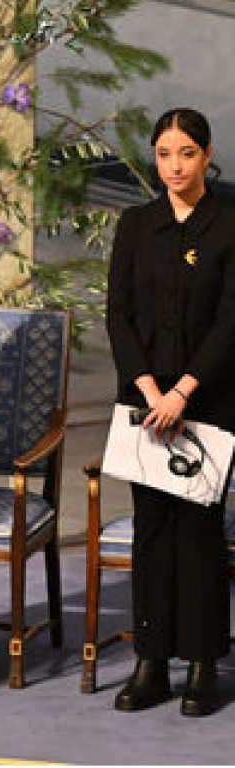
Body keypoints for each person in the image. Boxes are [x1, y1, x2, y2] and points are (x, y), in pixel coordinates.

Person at [105, 107, 235, 718]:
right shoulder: (135, 225)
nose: (174, 166)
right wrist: (150, 389)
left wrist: (183, 390)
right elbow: (119, 314)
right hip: (145, 405)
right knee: (152, 530)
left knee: (199, 533)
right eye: (163, 154)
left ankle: (204, 662)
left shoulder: (230, 226)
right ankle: (152, 660)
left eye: (186, 153)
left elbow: (231, 321)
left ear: (207, 155)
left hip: (207, 402)